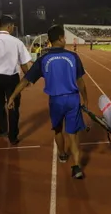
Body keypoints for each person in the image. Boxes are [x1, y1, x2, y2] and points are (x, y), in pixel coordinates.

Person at [7, 25, 89, 179]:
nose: (65, 40)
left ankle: (63, 154)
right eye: (64, 37)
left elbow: (26, 80)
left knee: (58, 129)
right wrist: (85, 99)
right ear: (60, 38)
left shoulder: (44, 59)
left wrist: (12, 96)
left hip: (56, 100)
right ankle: (76, 167)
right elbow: (81, 82)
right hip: (72, 99)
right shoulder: (73, 57)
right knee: (72, 133)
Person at [0, 15, 33, 145]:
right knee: (13, 106)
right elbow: (24, 63)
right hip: (12, 79)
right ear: (9, 26)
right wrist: (28, 78)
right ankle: (13, 136)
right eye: (13, 26)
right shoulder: (17, 42)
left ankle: (3, 130)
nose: (13, 28)